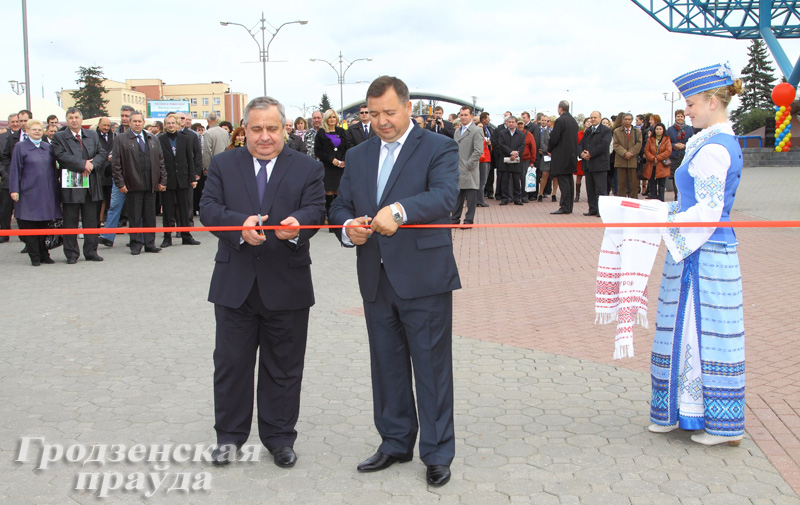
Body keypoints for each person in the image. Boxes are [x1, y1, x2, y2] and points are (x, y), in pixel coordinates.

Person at [329, 75, 460, 487]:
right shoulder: (359, 154)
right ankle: (395, 442)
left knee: (431, 367)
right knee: (385, 365)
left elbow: (444, 197)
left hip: (424, 278)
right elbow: (340, 205)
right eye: (374, 113)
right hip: (375, 276)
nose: (382, 121)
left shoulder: (439, 146)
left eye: (389, 112)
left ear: (408, 108)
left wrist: (399, 211)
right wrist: (347, 227)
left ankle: (438, 453)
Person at [199, 96, 325, 468]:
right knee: (231, 364)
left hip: (287, 285)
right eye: (256, 129)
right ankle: (229, 438)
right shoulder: (223, 164)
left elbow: (317, 209)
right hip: (234, 285)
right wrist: (239, 226)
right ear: (244, 131)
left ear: (284, 129)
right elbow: (208, 208)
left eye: (272, 128)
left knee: (284, 367)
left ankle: (279, 438)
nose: (265, 136)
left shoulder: (307, 167)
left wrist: (298, 224)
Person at [649, 62, 746, 447]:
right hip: (699, 248)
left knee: (699, 331)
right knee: (685, 328)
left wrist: (660, 217)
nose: (685, 110)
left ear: (711, 101)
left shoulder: (713, 148)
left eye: (690, 103)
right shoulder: (710, 141)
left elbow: (707, 211)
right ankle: (680, 411)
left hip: (704, 250)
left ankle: (719, 425)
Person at [51, 107, 107, 263]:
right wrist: (82, 164)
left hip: (91, 184)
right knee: (70, 221)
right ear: (67, 120)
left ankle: (91, 252)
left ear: (81, 119)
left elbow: (102, 153)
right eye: (70, 117)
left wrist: (92, 165)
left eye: (76, 117)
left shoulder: (92, 135)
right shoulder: (59, 137)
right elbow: (61, 156)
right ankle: (71, 254)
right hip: (71, 184)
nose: (74, 120)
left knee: (91, 221)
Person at [110, 111, 167, 255]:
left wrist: (162, 180)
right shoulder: (121, 139)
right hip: (132, 185)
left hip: (151, 185)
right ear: (129, 123)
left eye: (139, 121)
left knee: (150, 216)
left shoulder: (152, 138)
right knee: (134, 217)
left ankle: (150, 243)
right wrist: (120, 183)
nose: (137, 123)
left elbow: (161, 161)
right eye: (134, 121)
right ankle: (135, 244)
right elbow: (116, 164)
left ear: (143, 122)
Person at [8, 120, 61, 266]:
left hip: (46, 193)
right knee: (30, 226)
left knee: (44, 226)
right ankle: (35, 256)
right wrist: (14, 189)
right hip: (28, 193)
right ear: (27, 130)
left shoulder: (47, 147)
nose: (37, 131)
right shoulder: (20, 147)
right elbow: (15, 169)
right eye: (34, 129)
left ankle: (44, 253)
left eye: (40, 129)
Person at [158, 113, 201, 247]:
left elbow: (190, 158)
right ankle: (167, 237)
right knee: (168, 211)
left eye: (173, 123)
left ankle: (186, 235)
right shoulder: (160, 139)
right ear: (165, 125)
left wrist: (192, 177)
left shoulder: (185, 139)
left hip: (183, 178)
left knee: (185, 209)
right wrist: (160, 180)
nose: (171, 125)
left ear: (177, 124)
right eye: (168, 123)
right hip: (168, 180)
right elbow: (158, 161)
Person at [99, 105, 135, 247]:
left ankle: (136, 238)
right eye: (123, 116)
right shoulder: (115, 132)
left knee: (135, 209)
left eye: (127, 116)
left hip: (135, 176)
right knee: (114, 206)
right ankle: (108, 236)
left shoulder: (141, 134)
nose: (124, 118)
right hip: (118, 175)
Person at [451, 106, 484, 227]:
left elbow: (478, 151)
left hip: (469, 169)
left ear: (471, 116)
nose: (463, 117)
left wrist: (469, 165)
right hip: (457, 168)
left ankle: (468, 220)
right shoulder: (457, 131)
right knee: (458, 196)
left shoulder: (476, 131)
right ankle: (455, 218)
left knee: (471, 197)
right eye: (461, 115)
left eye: (466, 115)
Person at [314, 109, 348, 223]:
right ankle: (329, 218)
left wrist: (343, 160)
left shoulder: (342, 131)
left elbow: (347, 147)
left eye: (334, 117)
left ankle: (337, 217)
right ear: (326, 119)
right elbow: (318, 151)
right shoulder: (321, 132)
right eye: (330, 117)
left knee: (338, 192)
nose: (332, 119)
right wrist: (331, 159)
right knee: (328, 192)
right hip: (328, 167)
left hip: (340, 167)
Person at [578, 111, 611, 216]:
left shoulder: (606, 131)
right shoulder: (588, 131)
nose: (592, 119)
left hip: (600, 165)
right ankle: (592, 209)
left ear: (600, 118)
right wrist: (581, 154)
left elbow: (604, 145)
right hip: (588, 165)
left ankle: (601, 211)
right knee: (590, 189)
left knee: (600, 189)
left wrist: (590, 154)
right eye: (591, 117)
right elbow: (580, 144)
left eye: (595, 117)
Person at [548, 101, 578, 214]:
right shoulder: (573, 121)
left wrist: (549, 148)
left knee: (564, 182)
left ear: (560, 108)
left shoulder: (560, 120)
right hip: (571, 155)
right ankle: (569, 206)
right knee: (569, 181)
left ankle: (564, 206)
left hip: (561, 156)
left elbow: (554, 137)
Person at [496, 116, 526, 206]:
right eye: (509, 122)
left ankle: (517, 198)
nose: (511, 124)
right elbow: (501, 144)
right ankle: (504, 198)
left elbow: (522, 145)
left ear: (516, 123)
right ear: (507, 123)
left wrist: (516, 153)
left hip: (516, 160)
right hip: (505, 159)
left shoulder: (520, 134)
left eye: (513, 122)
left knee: (516, 180)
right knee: (505, 180)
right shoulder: (502, 133)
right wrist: (510, 152)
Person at [666, 109, 695, 200]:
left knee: (685, 177)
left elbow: (693, 142)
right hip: (674, 157)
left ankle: (685, 196)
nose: (679, 118)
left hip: (685, 156)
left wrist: (685, 146)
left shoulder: (689, 129)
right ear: (675, 117)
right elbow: (666, 143)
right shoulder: (670, 129)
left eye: (681, 116)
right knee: (675, 177)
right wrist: (674, 145)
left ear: (684, 117)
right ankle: (676, 196)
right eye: (678, 116)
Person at [612, 113, 642, 199]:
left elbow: (639, 144)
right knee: (621, 184)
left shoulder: (637, 131)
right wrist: (624, 153)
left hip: (632, 161)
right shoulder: (617, 131)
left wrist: (631, 153)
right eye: (625, 119)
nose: (627, 121)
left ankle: (633, 202)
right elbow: (615, 145)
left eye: (629, 119)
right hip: (620, 161)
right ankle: (621, 202)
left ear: (632, 120)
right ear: (622, 120)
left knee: (633, 184)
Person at [643, 122, 672, 201]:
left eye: (660, 129)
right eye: (657, 129)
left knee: (661, 184)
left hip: (662, 164)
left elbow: (668, 151)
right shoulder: (650, 139)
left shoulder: (667, 139)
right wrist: (653, 158)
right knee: (652, 183)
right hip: (652, 164)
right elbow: (646, 150)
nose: (658, 131)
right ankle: (653, 199)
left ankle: (661, 200)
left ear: (663, 130)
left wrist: (658, 158)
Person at [575, 117, 591, 202]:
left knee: (589, 177)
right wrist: (580, 154)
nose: (589, 123)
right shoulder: (579, 134)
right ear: (584, 123)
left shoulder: (593, 133)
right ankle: (577, 195)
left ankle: (590, 195)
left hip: (589, 156)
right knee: (579, 176)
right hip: (580, 158)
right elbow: (577, 145)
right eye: (587, 122)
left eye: (590, 122)